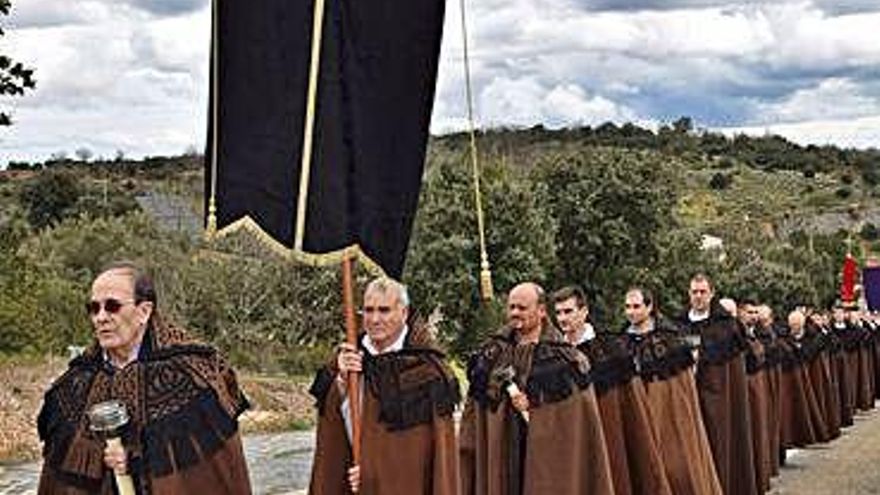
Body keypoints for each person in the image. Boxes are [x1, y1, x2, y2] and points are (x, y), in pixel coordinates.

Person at [37, 261, 252, 494]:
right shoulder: (74, 384)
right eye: (94, 308)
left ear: (144, 311)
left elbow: (208, 476)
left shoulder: (193, 377)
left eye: (112, 306)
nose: (101, 317)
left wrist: (136, 461)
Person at [308, 277, 460, 495]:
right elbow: (331, 436)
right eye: (368, 310)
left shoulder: (427, 371)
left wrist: (374, 472)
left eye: (384, 310)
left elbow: (425, 453)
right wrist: (340, 380)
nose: (375, 319)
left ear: (404, 313)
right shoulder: (348, 358)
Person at [460, 282, 614, 495]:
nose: (515, 313)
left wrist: (536, 411)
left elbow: (574, 428)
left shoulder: (567, 362)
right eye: (511, 307)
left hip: (547, 465)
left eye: (522, 308)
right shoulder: (492, 355)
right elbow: (475, 417)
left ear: (541, 310)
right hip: (501, 459)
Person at [553, 286, 672, 495]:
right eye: (559, 312)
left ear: (584, 311)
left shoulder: (611, 349)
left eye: (568, 311)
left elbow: (632, 410)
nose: (563, 318)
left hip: (611, 440)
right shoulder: (554, 356)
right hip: (574, 444)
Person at [623, 287, 722, 495]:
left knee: (676, 467)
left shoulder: (671, 339)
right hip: (639, 414)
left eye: (636, 306)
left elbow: (682, 388)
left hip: (668, 416)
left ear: (649, 307)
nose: (631, 312)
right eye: (627, 307)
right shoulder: (622, 342)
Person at [677, 274, 757, 495]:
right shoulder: (678, 325)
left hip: (717, 398)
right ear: (689, 293)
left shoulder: (728, 327)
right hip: (685, 395)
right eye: (694, 292)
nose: (699, 296)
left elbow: (736, 369)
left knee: (718, 444)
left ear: (712, 293)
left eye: (703, 292)